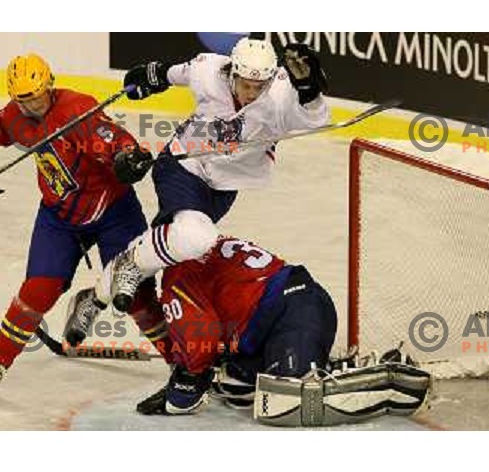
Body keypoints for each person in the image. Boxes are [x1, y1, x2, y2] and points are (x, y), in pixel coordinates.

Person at [65, 38, 331, 344]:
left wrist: (309, 88)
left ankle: (97, 294)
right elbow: (173, 73)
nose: (251, 94)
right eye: (245, 85)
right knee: (197, 239)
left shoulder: (282, 93)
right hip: (183, 164)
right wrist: (150, 78)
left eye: (259, 87)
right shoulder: (209, 70)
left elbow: (317, 120)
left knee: (181, 244)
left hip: (224, 186)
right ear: (232, 73)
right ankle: (126, 270)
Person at [0, 53, 159, 396]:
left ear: (50, 84)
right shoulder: (18, 113)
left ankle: (182, 365)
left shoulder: (77, 109)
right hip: (59, 217)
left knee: (137, 295)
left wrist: (127, 157)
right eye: (22, 100)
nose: (30, 106)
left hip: (113, 211)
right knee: (37, 292)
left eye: (36, 97)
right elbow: (0, 125)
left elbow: (112, 138)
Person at [99, 235, 338, 415]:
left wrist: (177, 398)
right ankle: (321, 364)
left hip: (293, 314)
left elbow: (199, 348)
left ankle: (328, 371)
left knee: (292, 401)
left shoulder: (179, 278)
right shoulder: (202, 240)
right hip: (298, 308)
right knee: (233, 384)